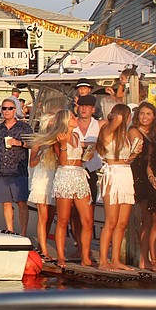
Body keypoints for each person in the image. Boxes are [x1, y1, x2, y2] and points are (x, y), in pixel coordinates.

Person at [97, 104, 140, 271]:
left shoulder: (125, 135)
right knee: (111, 221)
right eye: (128, 116)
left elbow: (127, 159)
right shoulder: (108, 131)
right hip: (113, 174)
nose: (129, 119)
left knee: (122, 223)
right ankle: (103, 260)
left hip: (125, 173)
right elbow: (119, 119)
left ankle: (115, 260)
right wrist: (117, 113)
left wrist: (135, 152)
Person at [53, 109, 94, 267]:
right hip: (65, 175)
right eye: (72, 116)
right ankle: (61, 256)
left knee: (88, 220)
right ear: (65, 120)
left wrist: (87, 156)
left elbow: (79, 159)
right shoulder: (59, 138)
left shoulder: (77, 136)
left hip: (79, 174)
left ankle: (85, 255)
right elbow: (62, 161)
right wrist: (63, 145)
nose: (75, 118)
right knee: (63, 219)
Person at [0, 97, 31, 236]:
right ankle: (10, 230)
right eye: (4, 108)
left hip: (18, 170)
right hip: (2, 170)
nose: (7, 111)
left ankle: (23, 233)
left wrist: (18, 143)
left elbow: (32, 144)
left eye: (10, 108)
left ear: (15, 110)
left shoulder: (24, 127)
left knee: (21, 203)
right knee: (6, 203)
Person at [70, 94, 105, 259]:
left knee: (88, 213)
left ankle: (86, 248)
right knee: (73, 213)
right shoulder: (71, 124)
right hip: (73, 169)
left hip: (90, 171)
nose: (83, 109)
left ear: (93, 109)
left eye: (87, 106)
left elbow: (118, 120)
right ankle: (79, 245)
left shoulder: (99, 125)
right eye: (81, 106)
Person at [28, 110, 65, 262]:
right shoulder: (39, 141)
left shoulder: (58, 139)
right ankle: (43, 249)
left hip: (55, 178)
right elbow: (32, 163)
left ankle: (46, 244)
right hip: (42, 179)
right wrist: (41, 152)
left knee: (51, 216)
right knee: (43, 217)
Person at [130, 101, 156, 269]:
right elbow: (134, 153)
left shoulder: (153, 133)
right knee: (147, 220)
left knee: (149, 221)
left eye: (148, 114)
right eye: (142, 113)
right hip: (140, 176)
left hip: (150, 175)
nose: (144, 117)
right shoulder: (134, 131)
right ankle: (145, 259)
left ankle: (145, 258)